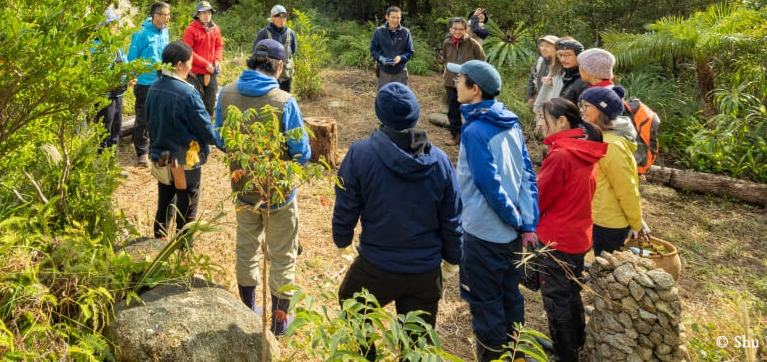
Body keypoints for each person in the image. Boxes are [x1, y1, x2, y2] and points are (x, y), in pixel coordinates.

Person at [333, 81, 462, 353]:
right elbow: (451, 217)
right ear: (416, 113)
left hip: (377, 266)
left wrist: (342, 240)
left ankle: (366, 357)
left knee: (351, 303)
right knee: (417, 345)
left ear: (380, 113)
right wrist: (452, 259)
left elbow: (346, 204)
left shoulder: (361, 154)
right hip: (425, 272)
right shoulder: (440, 161)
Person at [216, 38, 312, 336]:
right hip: (279, 193)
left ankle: (248, 311)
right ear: (279, 66)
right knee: (282, 256)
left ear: (252, 60)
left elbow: (220, 138)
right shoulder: (284, 101)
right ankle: (279, 323)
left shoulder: (226, 93)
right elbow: (301, 152)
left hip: (243, 188)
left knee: (246, 250)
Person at [448, 59, 539, 362]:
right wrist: (527, 223)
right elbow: (527, 173)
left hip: (482, 234)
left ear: (474, 89)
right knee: (511, 297)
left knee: (486, 305)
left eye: (460, 80)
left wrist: (514, 219)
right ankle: (517, 353)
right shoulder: (510, 121)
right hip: (510, 236)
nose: (455, 84)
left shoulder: (475, 131)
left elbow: (489, 185)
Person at [535, 98, 607, 362]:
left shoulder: (561, 154)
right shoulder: (585, 148)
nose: (540, 123)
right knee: (571, 293)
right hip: (578, 234)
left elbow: (540, 198)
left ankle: (565, 355)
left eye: (543, 118)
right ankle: (574, 346)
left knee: (556, 300)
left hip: (557, 239)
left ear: (562, 121)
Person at [144, 41, 221, 241]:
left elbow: (148, 121)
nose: (191, 67)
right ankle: (183, 248)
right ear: (179, 64)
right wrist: (222, 141)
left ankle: (159, 244)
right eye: (190, 62)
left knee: (165, 199)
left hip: (163, 154)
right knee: (187, 206)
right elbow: (205, 129)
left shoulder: (154, 87)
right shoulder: (187, 92)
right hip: (186, 158)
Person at [580, 85, 648, 258]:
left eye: (586, 106)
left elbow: (626, 188)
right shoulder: (598, 137)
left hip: (608, 223)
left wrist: (637, 222)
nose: (581, 110)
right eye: (581, 105)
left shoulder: (610, 146)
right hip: (596, 216)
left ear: (602, 111)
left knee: (606, 268)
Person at [126, 1, 171, 166]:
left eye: (169, 14)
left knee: (159, 116)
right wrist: (131, 76)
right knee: (143, 117)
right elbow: (132, 58)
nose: (168, 17)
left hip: (162, 80)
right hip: (145, 82)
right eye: (166, 14)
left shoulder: (165, 31)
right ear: (156, 16)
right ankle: (142, 151)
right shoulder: (141, 33)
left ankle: (156, 148)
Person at [441, 17, 486, 143]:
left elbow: (482, 63)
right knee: (453, 111)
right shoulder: (447, 43)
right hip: (451, 82)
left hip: (468, 83)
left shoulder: (473, 45)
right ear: (451, 29)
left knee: (471, 110)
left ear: (466, 30)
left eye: (461, 29)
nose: (457, 32)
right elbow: (445, 59)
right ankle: (456, 136)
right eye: (455, 28)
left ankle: (472, 137)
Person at [97, 7, 130, 152]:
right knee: (105, 126)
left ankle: (112, 154)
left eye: (115, 24)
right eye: (111, 25)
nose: (115, 28)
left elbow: (125, 61)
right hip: (105, 95)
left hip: (119, 91)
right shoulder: (96, 46)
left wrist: (129, 76)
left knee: (117, 125)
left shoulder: (116, 44)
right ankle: (102, 156)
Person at [182, 0, 223, 116]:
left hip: (211, 73)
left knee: (210, 106)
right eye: (203, 13)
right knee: (195, 106)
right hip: (195, 74)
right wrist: (205, 64)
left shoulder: (215, 29)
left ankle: (207, 126)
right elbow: (188, 51)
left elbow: (219, 46)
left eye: (209, 13)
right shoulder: (190, 30)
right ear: (198, 14)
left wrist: (217, 60)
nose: (207, 15)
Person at [255, 5, 297, 92]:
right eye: (280, 17)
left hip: (286, 75)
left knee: (285, 98)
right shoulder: (263, 33)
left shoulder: (291, 33)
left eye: (284, 17)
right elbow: (256, 52)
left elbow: (293, 50)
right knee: (269, 98)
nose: (283, 19)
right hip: (269, 75)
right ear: (272, 18)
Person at [370, 6, 415, 88]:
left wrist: (400, 58)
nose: (395, 20)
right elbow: (373, 49)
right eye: (393, 17)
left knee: (400, 95)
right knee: (384, 95)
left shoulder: (405, 32)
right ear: (387, 17)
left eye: (398, 18)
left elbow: (410, 51)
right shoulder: (379, 32)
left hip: (401, 72)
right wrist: (382, 59)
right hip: (384, 72)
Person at [526, 35, 559, 106]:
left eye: (547, 46)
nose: (543, 49)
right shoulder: (541, 61)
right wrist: (531, 96)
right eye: (541, 45)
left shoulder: (561, 64)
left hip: (555, 103)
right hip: (540, 100)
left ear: (556, 48)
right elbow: (532, 77)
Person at [554, 37, 587, 104]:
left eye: (566, 55)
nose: (562, 59)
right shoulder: (567, 75)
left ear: (579, 56)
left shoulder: (586, 77)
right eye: (560, 55)